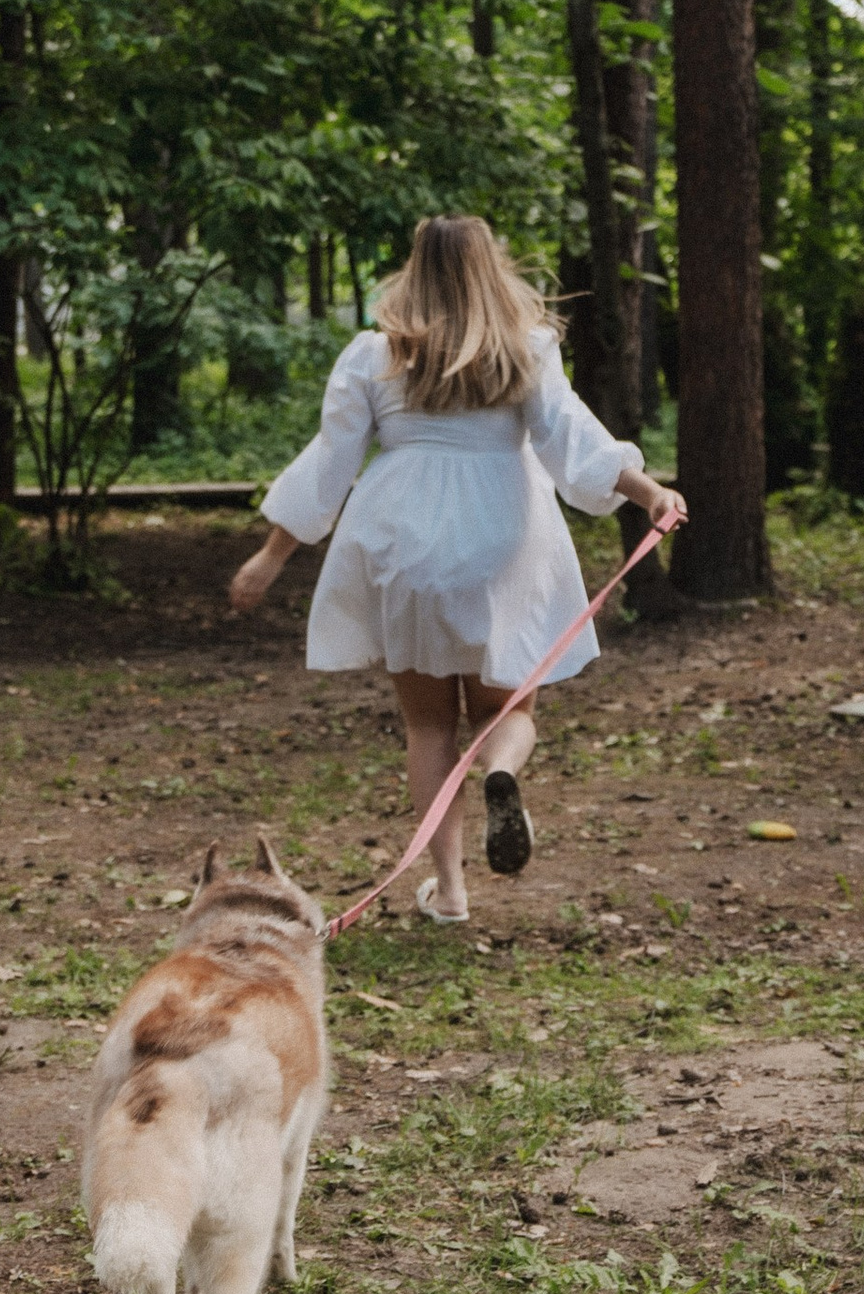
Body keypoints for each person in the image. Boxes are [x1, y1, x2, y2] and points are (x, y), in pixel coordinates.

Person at [227, 216, 683, 923]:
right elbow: (574, 439)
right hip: (505, 540)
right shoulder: (525, 348)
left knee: (428, 726)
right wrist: (649, 492)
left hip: (403, 543)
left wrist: (270, 556)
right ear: (488, 267)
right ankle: (500, 770)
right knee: (509, 710)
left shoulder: (376, 354)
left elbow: (330, 466)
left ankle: (451, 889)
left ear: (415, 270)